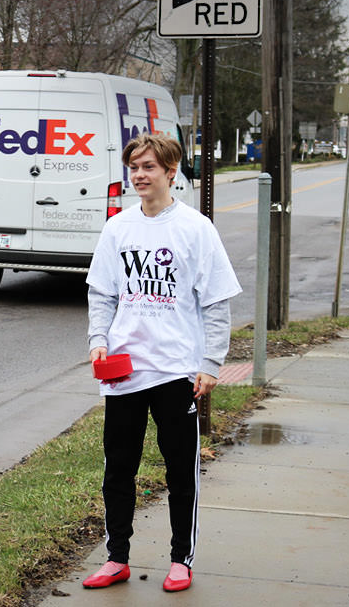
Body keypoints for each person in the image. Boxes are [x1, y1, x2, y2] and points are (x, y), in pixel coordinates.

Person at [82, 133, 241, 594]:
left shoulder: (196, 228)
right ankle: (117, 558)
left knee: (179, 470)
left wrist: (211, 363)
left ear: (171, 172)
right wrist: (98, 339)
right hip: (124, 370)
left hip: (176, 372)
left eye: (149, 167)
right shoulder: (118, 228)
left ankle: (180, 560)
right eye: (134, 167)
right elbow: (103, 292)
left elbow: (215, 304)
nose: (140, 175)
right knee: (118, 470)